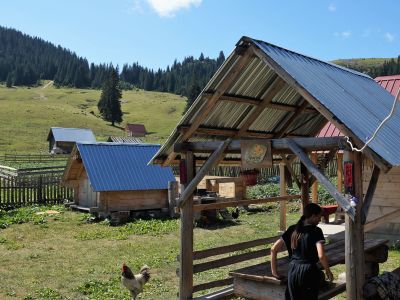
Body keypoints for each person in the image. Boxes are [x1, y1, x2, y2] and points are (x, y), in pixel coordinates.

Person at [270, 203, 334, 300]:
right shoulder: (316, 231)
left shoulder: (292, 229)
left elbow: (273, 249)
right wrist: (328, 271)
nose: (319, 220)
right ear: (313, 216)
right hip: (309, 272)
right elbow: (321, 256)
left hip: (292, 270)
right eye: (319, 217)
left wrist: (274, 272)